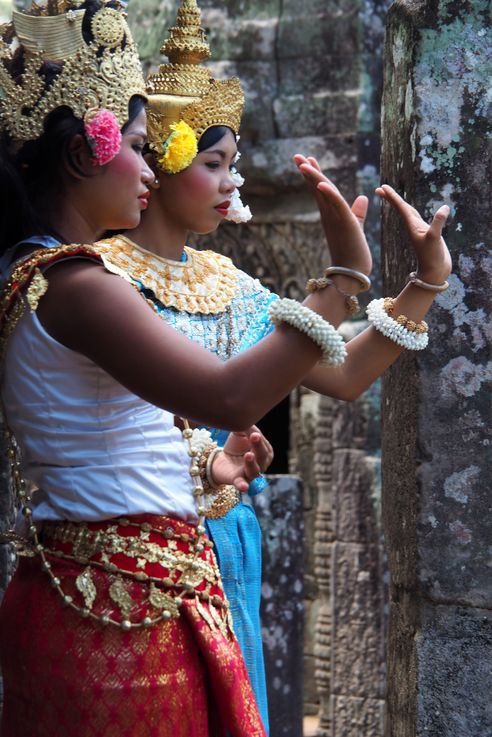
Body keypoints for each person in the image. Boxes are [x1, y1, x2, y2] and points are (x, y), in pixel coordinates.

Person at [0, 2, 451, 737]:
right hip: (119, 590)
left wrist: (421, 289)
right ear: (89, 152)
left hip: (160, 571)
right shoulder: (85, 282)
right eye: (151, 149)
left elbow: (329, 375)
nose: (151, 167)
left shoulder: (141, 279)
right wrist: (340, 280)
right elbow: (228, 391)